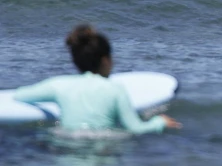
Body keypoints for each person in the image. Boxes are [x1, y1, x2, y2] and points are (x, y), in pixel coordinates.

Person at [13, 25, 181, 134]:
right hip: (103, 146)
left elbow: (20, 96)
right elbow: (135, 128)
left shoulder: (58, 86)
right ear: (105, 60)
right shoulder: (115, 90)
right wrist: (159, 122)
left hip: (65, 141)